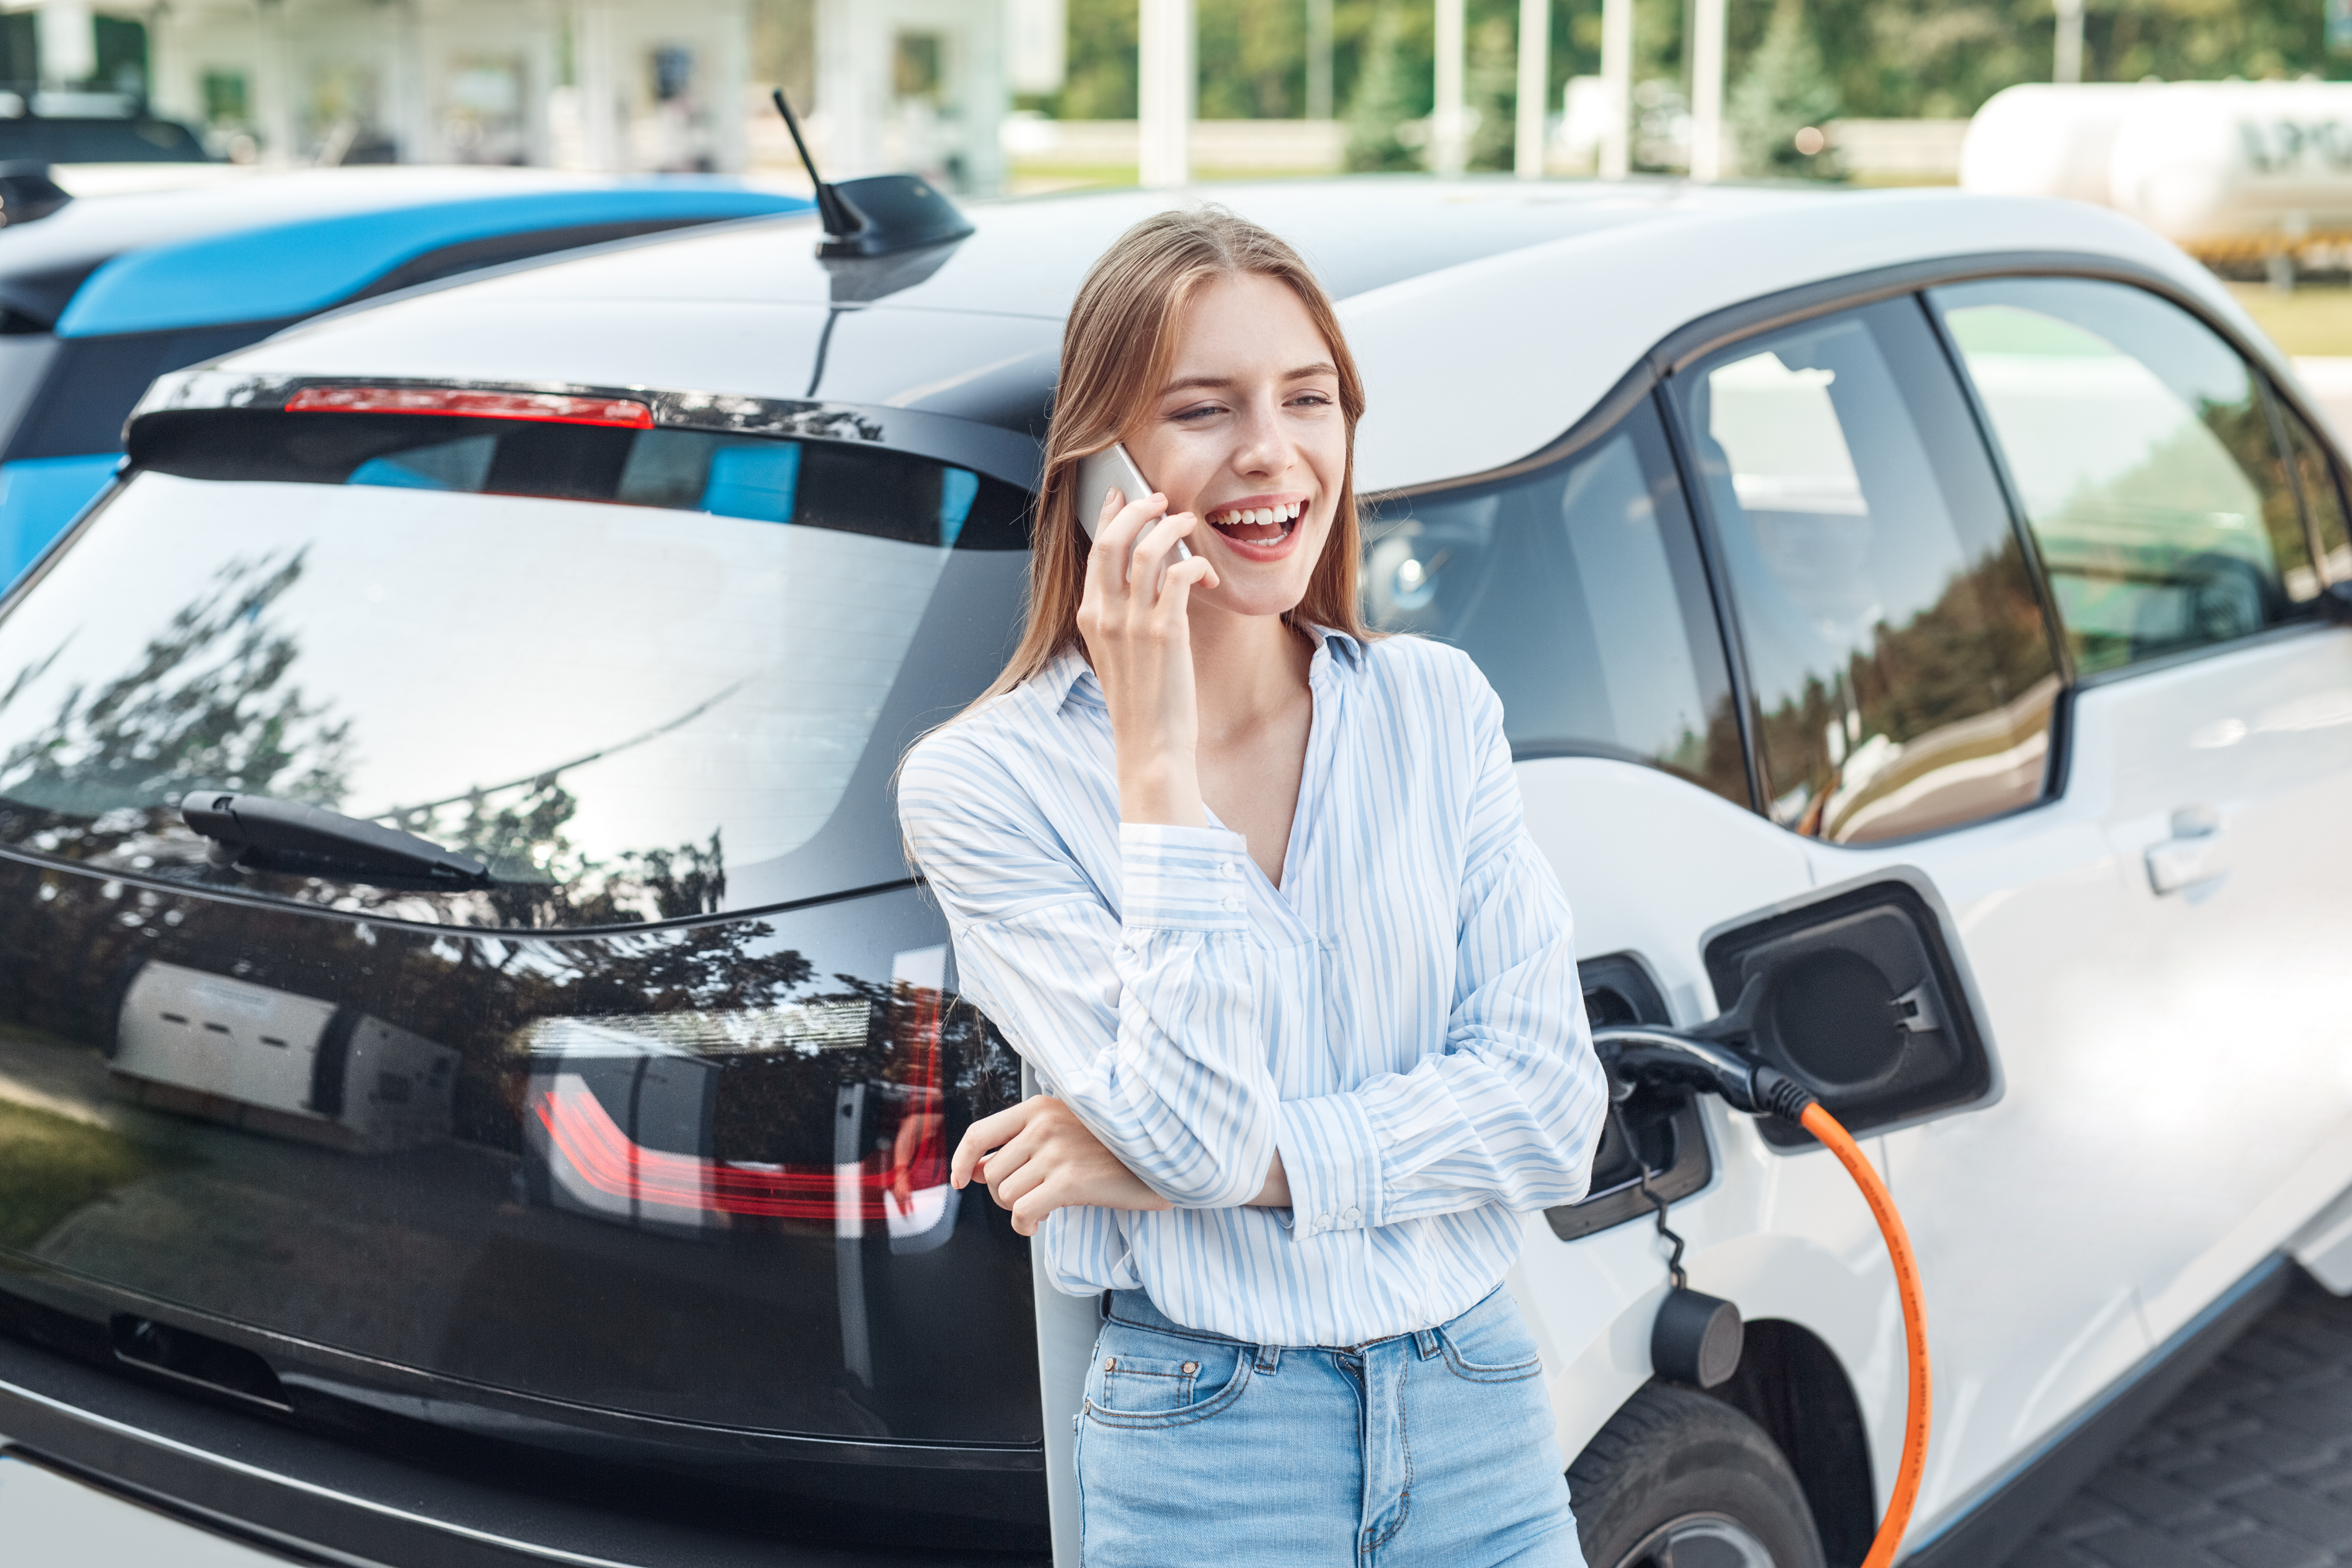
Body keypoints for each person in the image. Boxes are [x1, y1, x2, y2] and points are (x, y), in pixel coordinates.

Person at [896, 207, 1608, 1568]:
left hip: (1474, 1402)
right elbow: (1192, 1132)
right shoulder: (983, 786)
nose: (1271, 452)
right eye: (1202, 409)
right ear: (1104, 471)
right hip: (1211, 1440)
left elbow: (1547, 1107)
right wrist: (1152, 767)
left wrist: (1225, 1169)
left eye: (1308, 399)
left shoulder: (1431, 708)